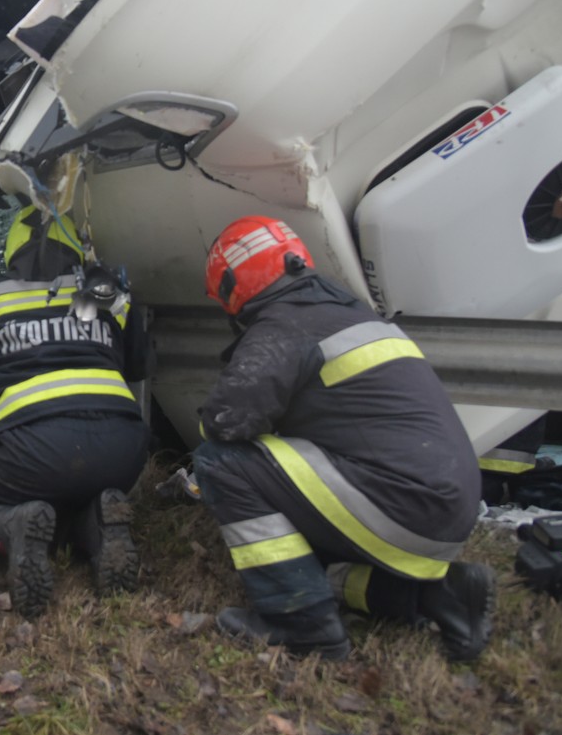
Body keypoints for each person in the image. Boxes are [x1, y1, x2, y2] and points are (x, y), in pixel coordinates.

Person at [194, 215, 495, 661]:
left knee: (221, 460)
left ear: (233, 284)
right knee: (317, 564)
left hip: (399, 502)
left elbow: (225, 420)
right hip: (442, 510)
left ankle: (303, 625)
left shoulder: (284, 326)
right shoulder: (348, 313)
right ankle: (444, 596)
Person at [0, 205, 151, 616]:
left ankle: (7, 528)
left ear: (11, 251)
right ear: (79, 250)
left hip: (32, 448)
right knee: (66, 492)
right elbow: (140, 366)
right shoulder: (112, 296)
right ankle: (95, 523)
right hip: (124, 451)